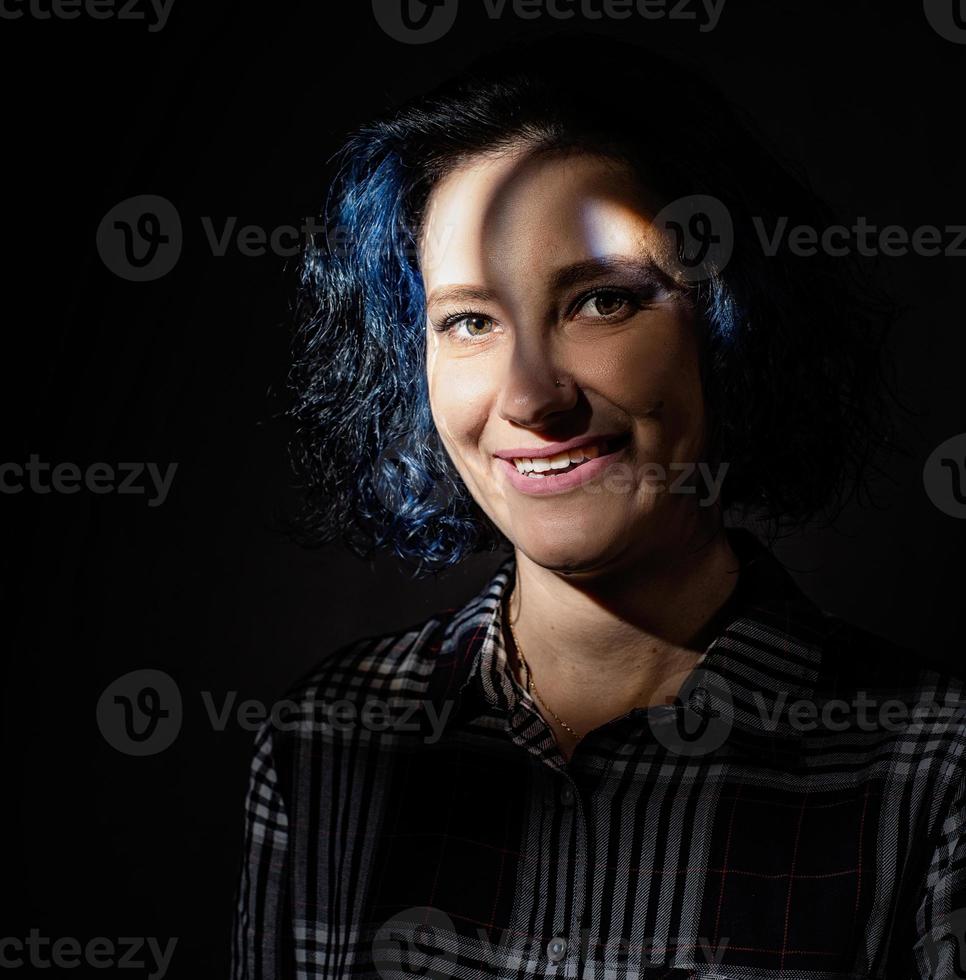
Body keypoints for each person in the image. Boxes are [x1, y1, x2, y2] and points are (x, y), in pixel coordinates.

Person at [232, 34, 966, 979]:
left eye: (603, 304)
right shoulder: (324, 743)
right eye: (469, 320)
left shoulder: (930, 772)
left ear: (733, 323)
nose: (533, 397)